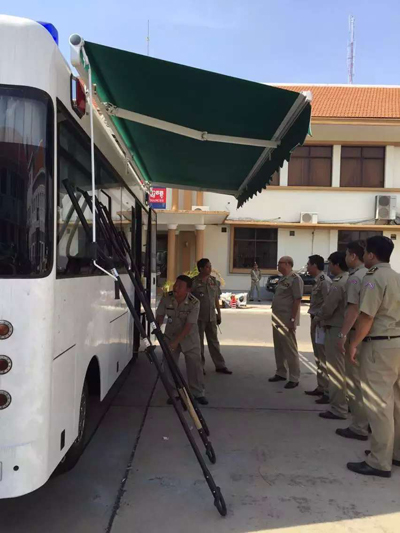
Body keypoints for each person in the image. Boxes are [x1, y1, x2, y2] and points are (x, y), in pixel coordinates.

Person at [347, 236, 400, 478]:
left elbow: (367, 316)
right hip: (396, 342)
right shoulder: (396, 277)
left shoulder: (373, 278)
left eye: (366, 252)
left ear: (371, 255)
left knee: (379, 404)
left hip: (379, 346)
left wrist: (354, 343)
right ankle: (395, 452)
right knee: (396, 403)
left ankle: (379, 461)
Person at [156, 275, 208, 405]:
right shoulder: (167, 297)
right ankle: (175, 393)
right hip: (171, 335)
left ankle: (198, 393)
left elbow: (188, 326)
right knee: (169, 365)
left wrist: (176, 342)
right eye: (176, 284)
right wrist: (157, 329)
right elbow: (160, 316)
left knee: (194, 365)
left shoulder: (194, 303)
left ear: (188, 290)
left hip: (189, 338)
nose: (176, 287)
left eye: (180, 286)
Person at [336, 240, 369, 441]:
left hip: (357, 334)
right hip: (372, 336)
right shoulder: (372, 274)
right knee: (369, 384)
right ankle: (371, 424)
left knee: (356, 383)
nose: (346, 258)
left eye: (347, 254)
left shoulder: (356, 278)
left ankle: (359, 427)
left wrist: (343, 335)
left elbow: (353, 309)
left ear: (353, 256)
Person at [315, 251, 349, 419]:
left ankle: (338, 408)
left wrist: (318, 317)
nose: (329, 268)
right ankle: (347, 404)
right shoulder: (352, 279)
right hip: (347, 329)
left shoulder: (339, 282)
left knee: (336, 371)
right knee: (347, 371)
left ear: (337, 265)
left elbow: (329, 307)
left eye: (331, 264)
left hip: (335, 328)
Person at [191, 258, 232, 374]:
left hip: (211, 317)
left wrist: (219, 313)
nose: (210, 269)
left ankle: (220, 365)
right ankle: (200, 367)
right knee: (198, 343)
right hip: (198, 317)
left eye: (210, 266)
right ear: (201, 269)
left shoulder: (213, 281)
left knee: (214, 342)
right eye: (207, 267)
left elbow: (215, 299)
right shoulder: (194, 282)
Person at [269, 256, 304, 389]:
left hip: (287, 319)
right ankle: (281, 372)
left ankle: (294, 377)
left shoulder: (295, 279)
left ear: (288, 264)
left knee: (290, 349)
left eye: (280, 263)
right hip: (277, 318)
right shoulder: (283, 279)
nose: (278, 265)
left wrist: (293, 319)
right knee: (279, 347)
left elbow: (297, 300)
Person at [305, 255, 331, 398]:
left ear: (315, 265)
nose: (307, 267)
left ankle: (327, 390)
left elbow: (328, 304)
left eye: (308, 264)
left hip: (320, 322)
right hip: (315, 320)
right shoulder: (318, 281)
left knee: (323, 357)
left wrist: (320, 320)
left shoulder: (324, 281)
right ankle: (321, 386)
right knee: (318, 356)